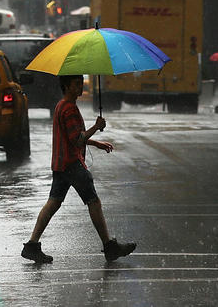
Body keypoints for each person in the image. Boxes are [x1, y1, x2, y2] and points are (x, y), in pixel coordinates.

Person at [21, 74, 136, 264]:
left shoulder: (62, 105)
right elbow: (77, 139)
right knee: (93, 201)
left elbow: (72, 137)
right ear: (65, 86)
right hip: (71, 164)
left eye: (81, 83)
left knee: (53, 203)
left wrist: (95, 142)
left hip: (60, 164)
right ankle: (109, 246)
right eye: (76, 84)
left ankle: (32, 245)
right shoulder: (69, 109)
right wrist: (96, 127)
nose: (80, 87)